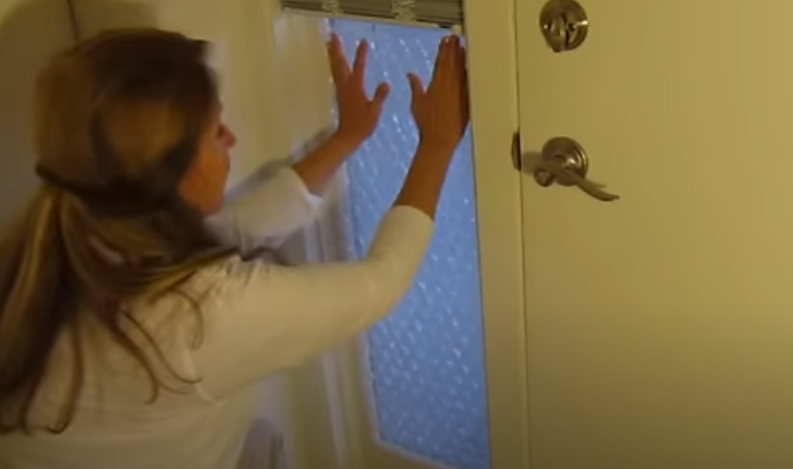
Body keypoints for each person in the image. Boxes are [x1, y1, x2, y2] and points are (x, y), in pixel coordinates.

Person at [0, 27, 470, 469]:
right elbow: (381, 284)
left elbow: (233, 230)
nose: (231, 139)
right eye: (214, 131)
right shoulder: (192, 319)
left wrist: (348, 137)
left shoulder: (69, 238)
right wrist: (437, 144)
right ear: (170, 175)